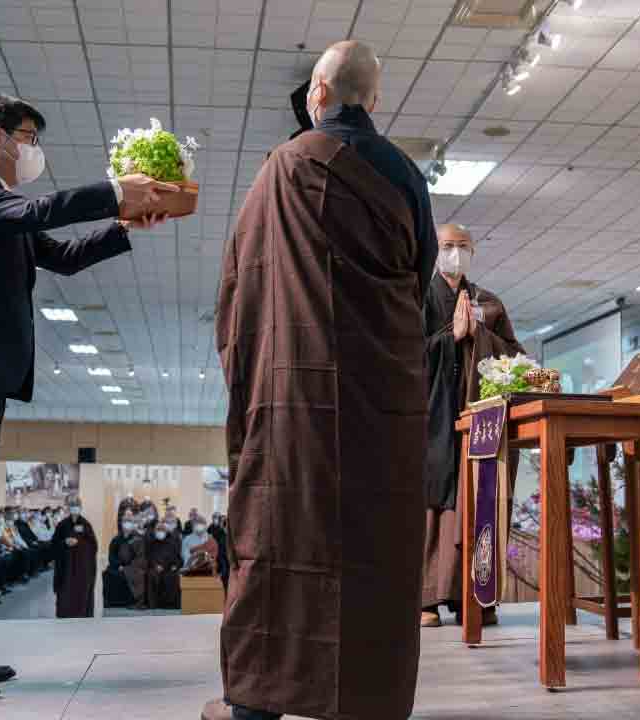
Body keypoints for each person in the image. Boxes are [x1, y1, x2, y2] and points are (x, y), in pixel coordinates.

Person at [0, 92, 176, 700]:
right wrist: (113, 190)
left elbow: (68, 256)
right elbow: (43, 212)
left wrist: (124, 225)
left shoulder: (3, 210)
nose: (34, 152)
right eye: (29, 137)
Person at [206, 40, 435, 720]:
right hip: (380, 402)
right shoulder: (404, 175)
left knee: (282, 540)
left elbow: (242, 278)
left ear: (317, 95)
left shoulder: (282, 167)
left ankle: (260, 699)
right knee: (374, 548)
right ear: (376, 100)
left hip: (294, 399)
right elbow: (419, 281)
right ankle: (369, 698)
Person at [422, 223, 526, 628]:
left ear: (473, 252)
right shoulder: (420, 299)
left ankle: (476, 596)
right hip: (434, 417)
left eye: (462, 246)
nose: (455, 253)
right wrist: (453, 336)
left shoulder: (490, 302)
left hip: (480, 418)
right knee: (435, 505)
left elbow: (516, 356)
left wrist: (479, 332)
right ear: (435, 251)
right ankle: (427, 599)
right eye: (447, 246)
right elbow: (404, 354)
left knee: (479, 501)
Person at [52, 498, 97, 618]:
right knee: (65, 591)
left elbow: (93, 545)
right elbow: (54, 544)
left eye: (77, 505)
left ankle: (82, 613)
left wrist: (80, 543)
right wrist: (65, 542)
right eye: (72, 505)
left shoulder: (86, 525)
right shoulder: (62, 525)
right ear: (68, 507)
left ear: (81, 507)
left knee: (81, 591)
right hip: (66, 566)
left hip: (82, 566)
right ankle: (65, 613)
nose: (74, 508)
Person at [103, 510, 138, 608]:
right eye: (125, 521)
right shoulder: (116, 540)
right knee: (107, 574)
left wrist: (128, 567)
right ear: (122, 524)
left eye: (129, 521)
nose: (127, 524)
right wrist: (119, 565)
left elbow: (139, 556)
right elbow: (111, 556)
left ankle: (131, 602)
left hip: (131, 567)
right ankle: (110, 602)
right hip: (117, 567)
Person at [145, 520, 181, 609]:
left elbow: (177, 558)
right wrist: (155, 565)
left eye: (162, 529)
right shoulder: (151, 543)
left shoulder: (172, 543)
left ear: (166, 531)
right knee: (151, 575)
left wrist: (174, 565)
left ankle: (169, 604)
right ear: (155, 531)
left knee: (172, 576)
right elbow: (148, 557)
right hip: (154, 567)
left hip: (168, 568)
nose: (160, 532)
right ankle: (153, 604)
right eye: (158, 529)